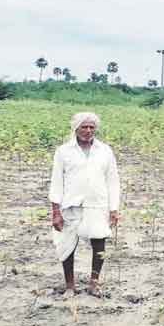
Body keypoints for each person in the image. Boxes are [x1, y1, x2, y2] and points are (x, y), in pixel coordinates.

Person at [49, 112, 120, 298]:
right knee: (66, 245)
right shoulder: (64, 151)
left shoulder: (105, 151)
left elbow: (113, 181)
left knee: (99, 242)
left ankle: (93, 284)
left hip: (97, 204)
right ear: (76, 128)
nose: (88, 131)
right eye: (84, 127)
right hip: (70, 205)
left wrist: (114, 208)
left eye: (91, 127)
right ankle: (70, 286)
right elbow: (56, 182)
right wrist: (55, 211)